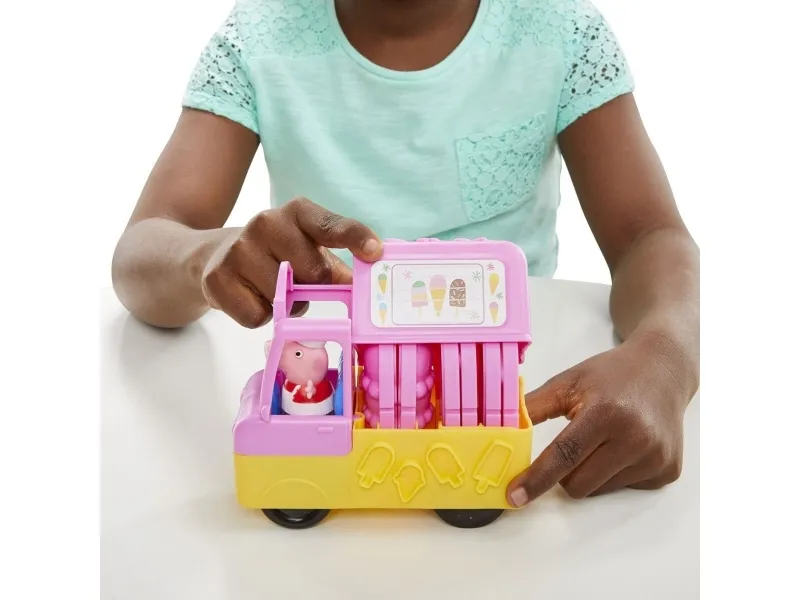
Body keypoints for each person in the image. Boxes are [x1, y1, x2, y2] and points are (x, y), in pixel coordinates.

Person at [112, 0, 699, 509]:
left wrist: (666, 355)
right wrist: (207, 253)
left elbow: (649, 236)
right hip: (339, 375)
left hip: (505, 378)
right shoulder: (257, 39)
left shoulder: (561, 29)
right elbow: (141, 251)